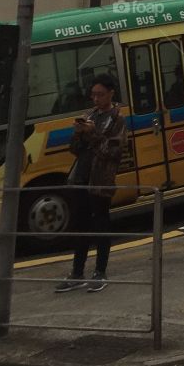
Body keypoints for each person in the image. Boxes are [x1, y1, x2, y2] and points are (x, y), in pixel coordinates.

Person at [54, 74, 127, 294]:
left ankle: (100, 271)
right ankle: (77, 272)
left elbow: (113, 151)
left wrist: (92, 134)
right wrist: (78, 134)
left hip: (100, 180)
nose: (96, 99)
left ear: (111, 93)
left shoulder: (117, 119)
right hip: (80, 177)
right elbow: (75, 150)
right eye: (93, 95)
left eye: (100, 94)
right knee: (80, 225)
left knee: (101, 225)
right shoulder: (90, 115)